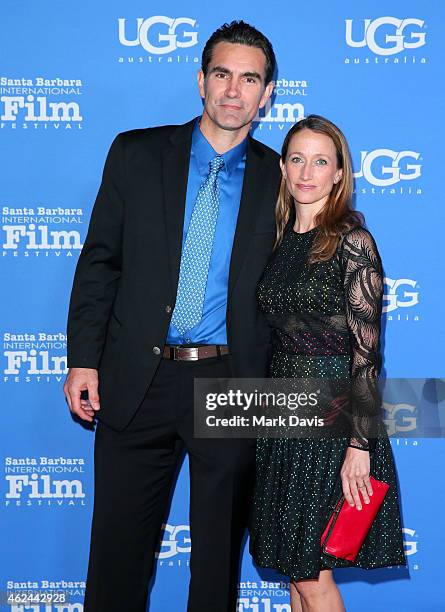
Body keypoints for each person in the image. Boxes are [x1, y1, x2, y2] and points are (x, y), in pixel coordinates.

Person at [63, 20, 281, 612]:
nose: (233, 91)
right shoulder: (134, 152)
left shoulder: (281, 178)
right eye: (222, 74)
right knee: (115, 559)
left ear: (267, 95)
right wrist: (83, 359)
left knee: (216, 570)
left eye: (249, 79)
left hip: (231, 383)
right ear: (201, 81)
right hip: (137, 375)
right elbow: (99, 264)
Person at [249, 115, 406, 612]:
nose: (307, 172)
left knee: (313, 576)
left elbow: (367, 355)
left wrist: (359, 445)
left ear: (339, 173)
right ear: (282, 166)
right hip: (281, 415)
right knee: (297, 575)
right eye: (297, 159)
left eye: (321, 161)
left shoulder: (352, 243)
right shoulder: (275, 241)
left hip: (333, 419)